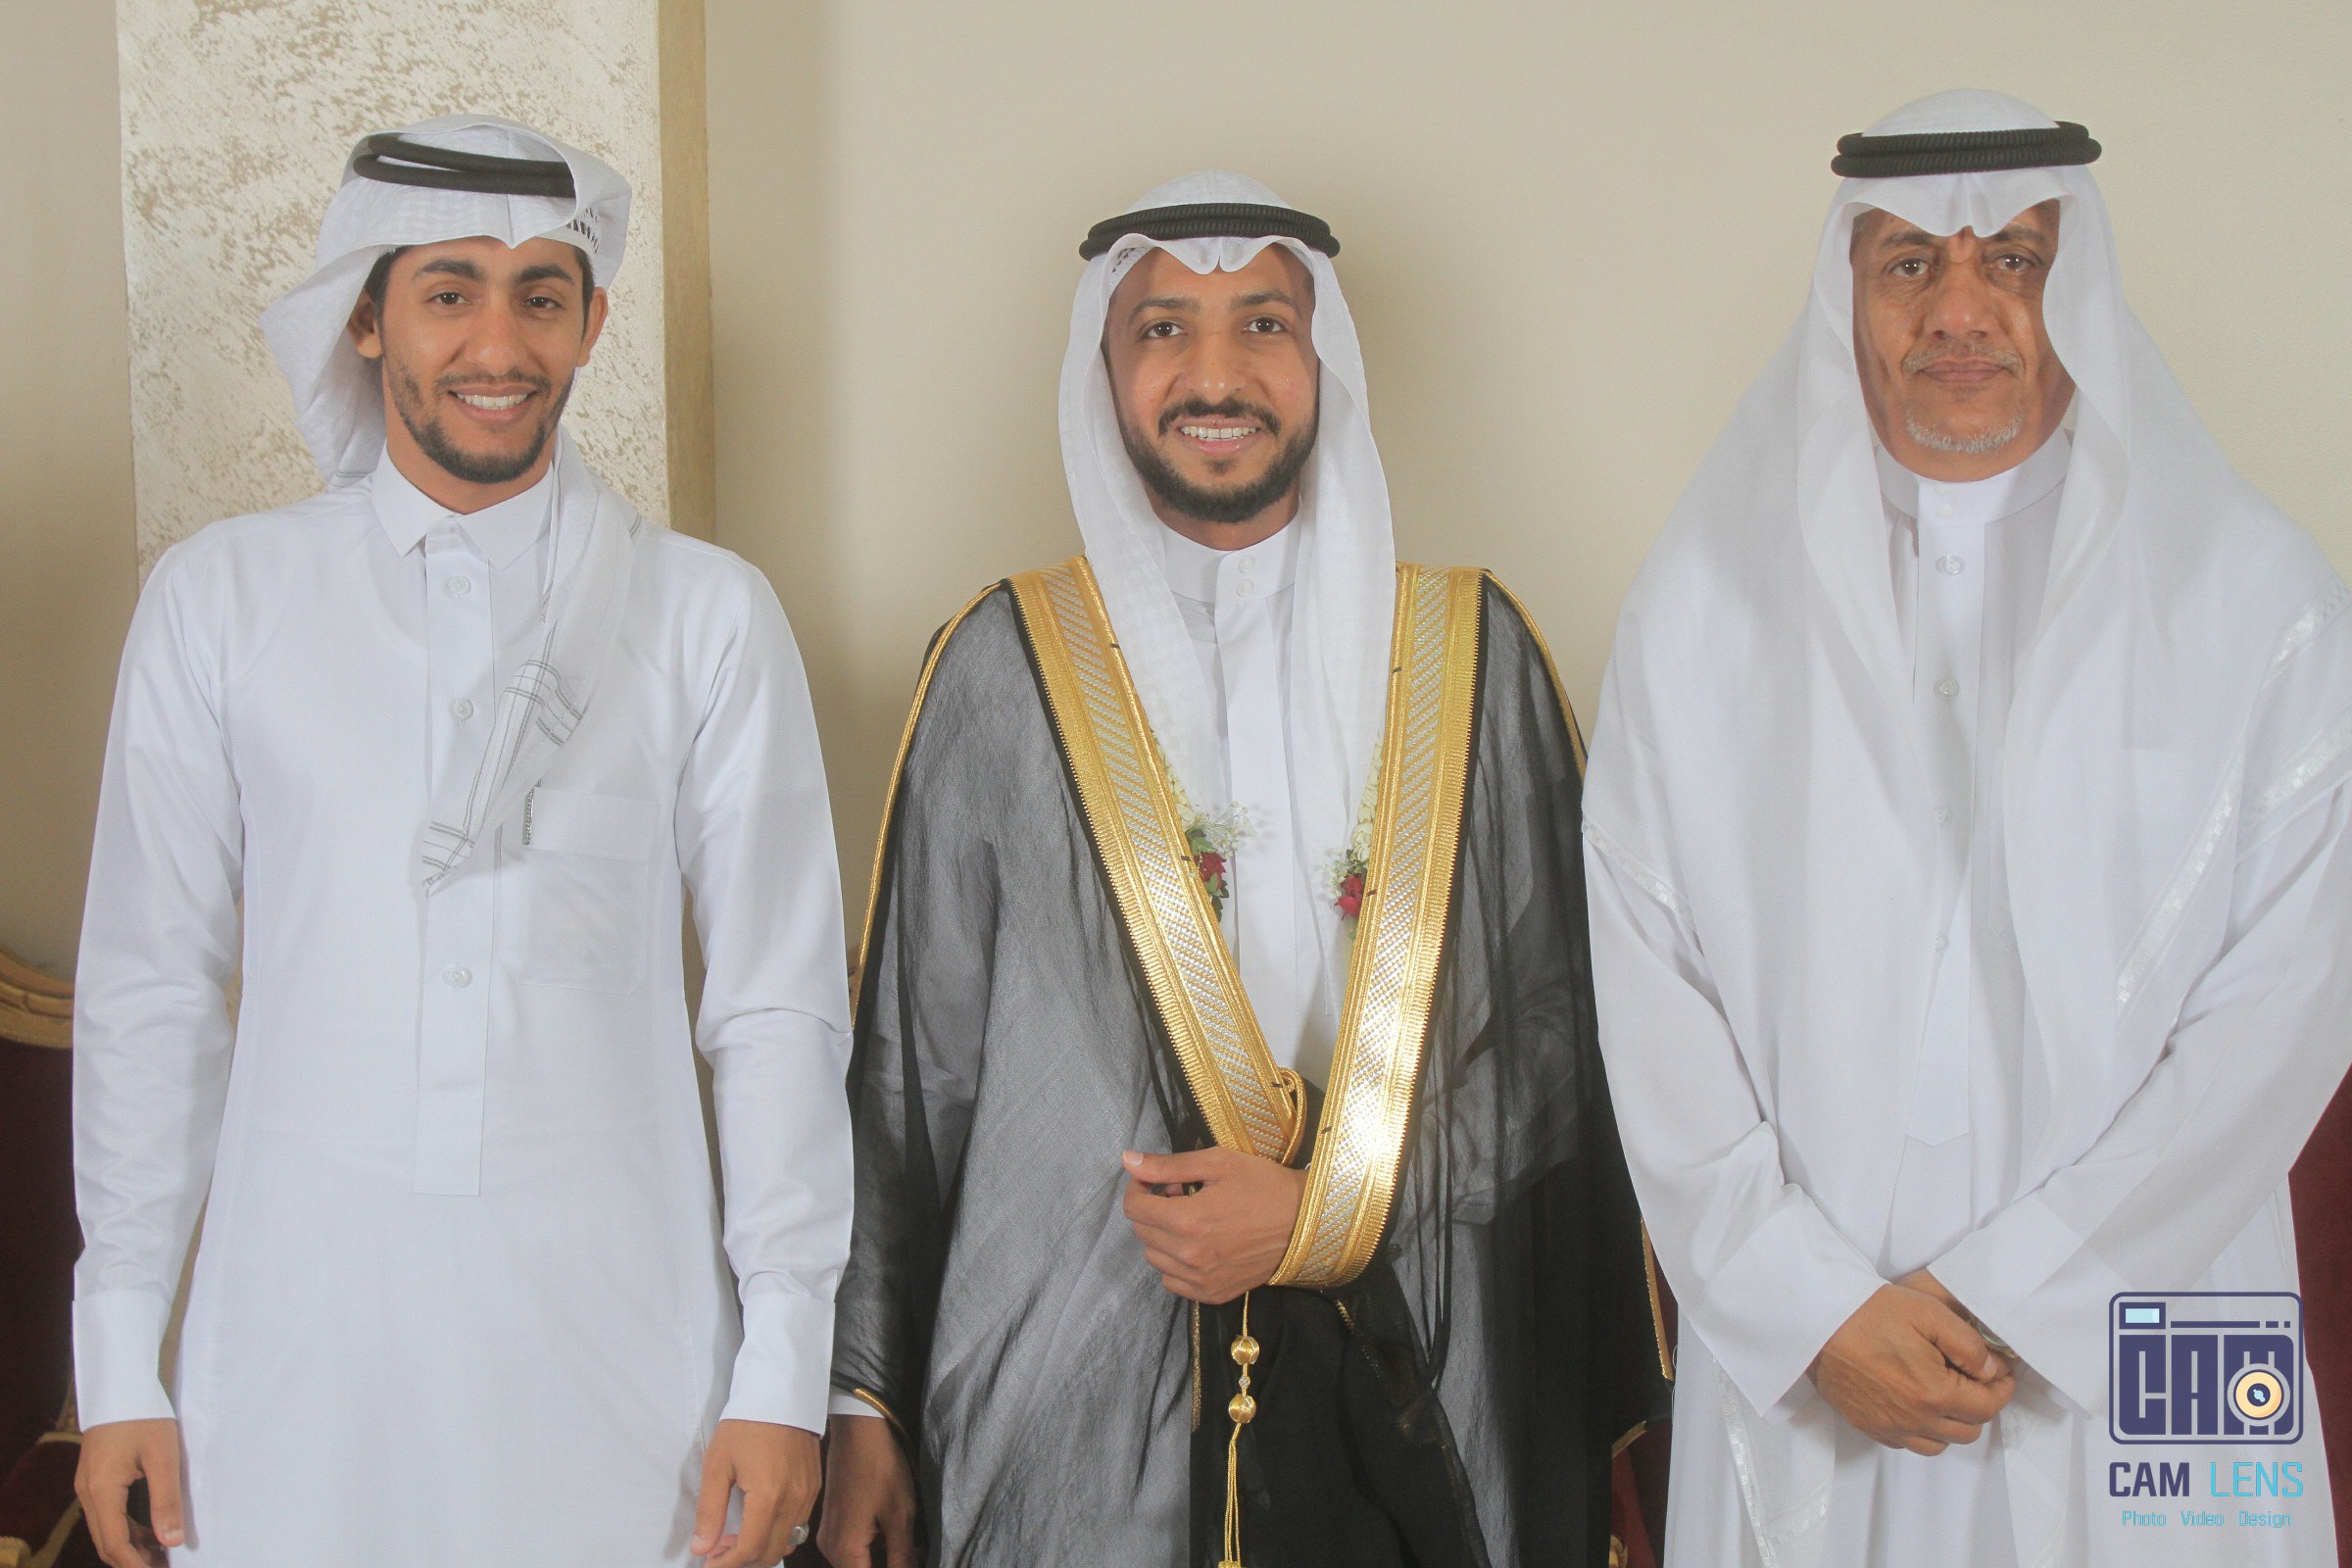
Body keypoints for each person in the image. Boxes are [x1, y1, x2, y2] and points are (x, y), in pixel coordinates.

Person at [816, 172, 1667, 1568]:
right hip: (1080, 1407)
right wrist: (866, 1404)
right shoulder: (1004, 668)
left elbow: (1561, 1048)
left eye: (1263, 324)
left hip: (1424, 1373)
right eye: (1163, 329)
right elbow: (917, 1076)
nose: (1215, 375)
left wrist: (1326, 1213)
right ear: (1104, 366)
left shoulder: (1472, 657)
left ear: (1323, 358)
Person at [1584, 88, 2351, 1567]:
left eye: (2013, 258)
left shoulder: (2255, 604)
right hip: (1825, 1344)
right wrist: (1807, 1305)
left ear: (2079, 286)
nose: (1960, 309)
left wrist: (2032, 1292)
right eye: (1908, 263)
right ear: (1849, 293)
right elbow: (1648, 982)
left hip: (2168, 1305)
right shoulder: (1706, 615)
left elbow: (2291, 1003)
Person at [70, 118, 851, 1568]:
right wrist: (119, 1354)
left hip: (631, 1363)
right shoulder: (220, 601)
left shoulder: (707, 616)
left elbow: (776, 1012)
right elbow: (150, 995)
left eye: (540, 295)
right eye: (449, 293)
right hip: (293, 1358)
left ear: (592, 324)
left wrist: (784, 1370)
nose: (499, 345)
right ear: (365, 319)